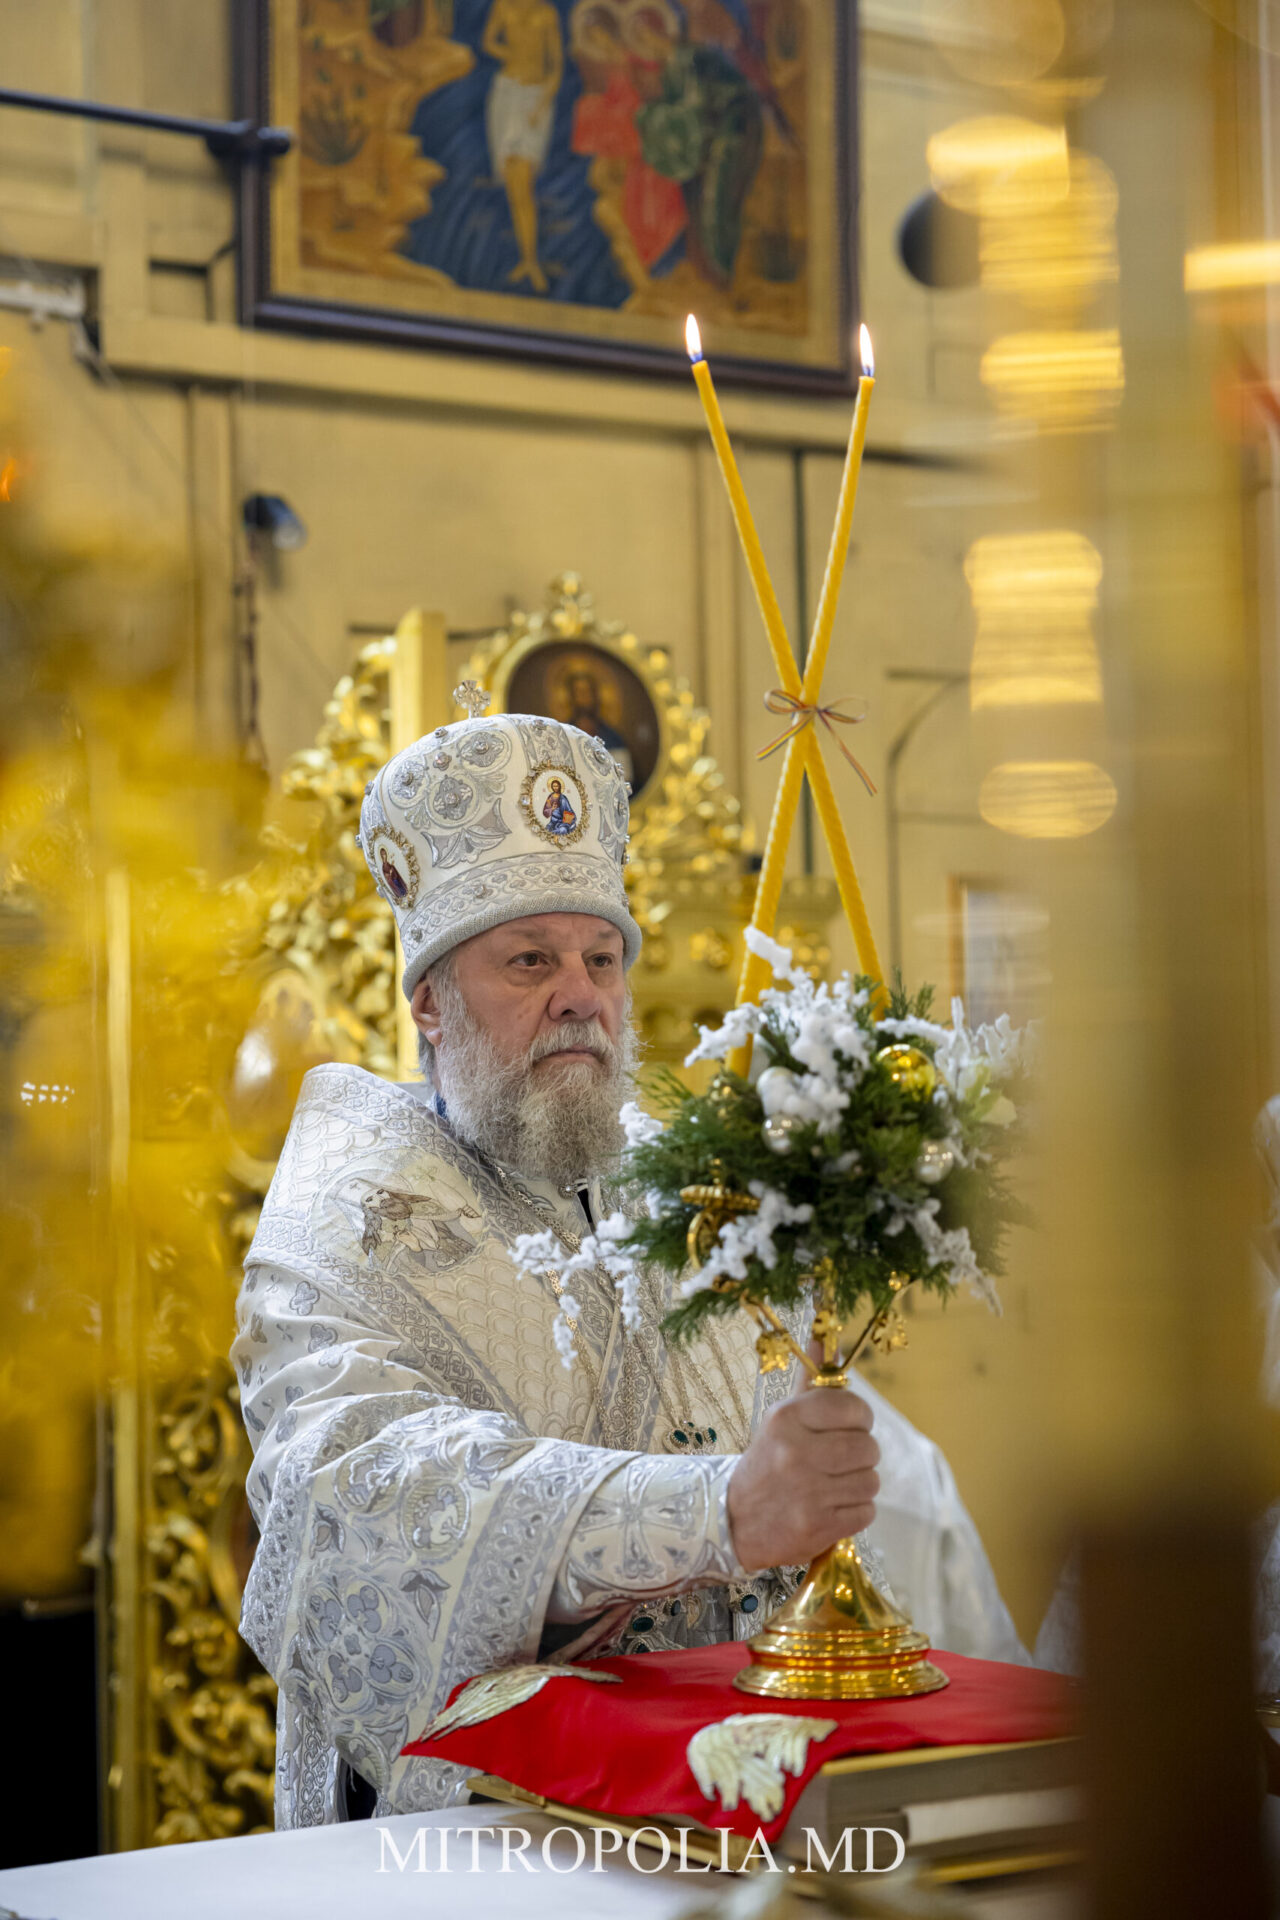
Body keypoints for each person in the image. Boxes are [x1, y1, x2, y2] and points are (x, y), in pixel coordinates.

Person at [233, 703, 1022, 1830]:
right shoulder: (341, 1224)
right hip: (493, 1830)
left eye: (601, 959)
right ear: (429, 1004)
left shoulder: (690, 1192)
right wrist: (721, 1512)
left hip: (733, 1802)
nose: (580, 995)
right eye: (529, 960)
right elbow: (376, 1497)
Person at [482, 0, 563, 292]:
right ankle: (525, 259)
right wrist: (507, 53)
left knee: (524, 183)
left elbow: (556, 67)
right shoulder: (503, 7)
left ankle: (532, 260)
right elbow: (488, 41)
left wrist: (542, 104)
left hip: (534, 98)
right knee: (513, 186)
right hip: (507, 93)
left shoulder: (546, 14)